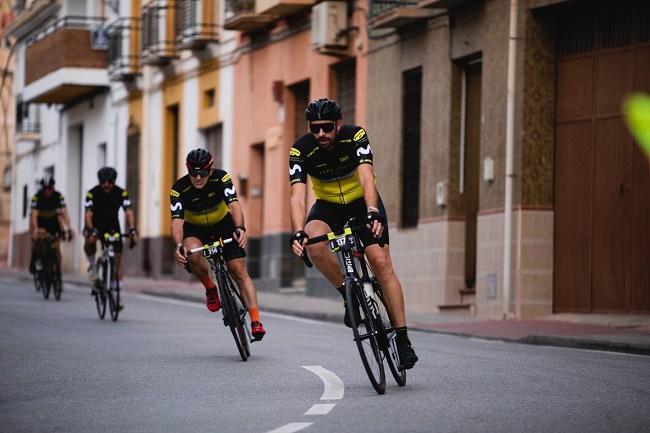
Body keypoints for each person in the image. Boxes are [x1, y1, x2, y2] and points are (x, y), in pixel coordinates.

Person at [288, 98, 418, 369]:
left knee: (381, 263)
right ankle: (349, 296)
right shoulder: (300, 151)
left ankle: (403, 339)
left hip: (362, 203)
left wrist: (372, 210)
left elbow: (366, 177)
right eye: (315, 129)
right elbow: (297, 197)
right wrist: (298, 231)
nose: (321, 134)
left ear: (338, 124)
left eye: (326, 128)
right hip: (327, 207)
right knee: (313, 241)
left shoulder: (355, 136)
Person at [170, 149, 266, 341]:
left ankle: (256, 320)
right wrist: (179, 245)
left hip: (224, 225)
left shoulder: (222, 178)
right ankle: (210, 287)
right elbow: (177, 221)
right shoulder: (178, 189)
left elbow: (234, 205)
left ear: (210, 169)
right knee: (192, 254)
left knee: (238, 270)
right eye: (193, 173)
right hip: (195, 229)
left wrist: (240, 228)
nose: (198, 177)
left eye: (203, 173)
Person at [83, 167, 138, 305]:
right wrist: (91, 229)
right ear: (99, 181)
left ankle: (117, 295)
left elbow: (129, 211)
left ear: (114, 181)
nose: (106, 184)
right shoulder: (92, 193)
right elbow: (88, 214)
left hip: (113, 227)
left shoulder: (121, 193)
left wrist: (132, 228)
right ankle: (92, 266)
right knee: (90, 241)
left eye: (110, 181)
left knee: (117, 260)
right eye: (103, 181)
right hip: (95, 225)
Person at [29, 176, 73, 279]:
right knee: (38, 241)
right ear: (42, 188)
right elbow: (34, 215)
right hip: (40, 222)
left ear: (53, 188)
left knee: (57, 248)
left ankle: (58, 272)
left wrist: (69, 228)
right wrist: (35, 229)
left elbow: (64, 212)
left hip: (53, 223)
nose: (47, 191)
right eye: (45, 188)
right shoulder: (37, 197)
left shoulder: (59, 196)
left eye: (50, 188)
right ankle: (37, 261)